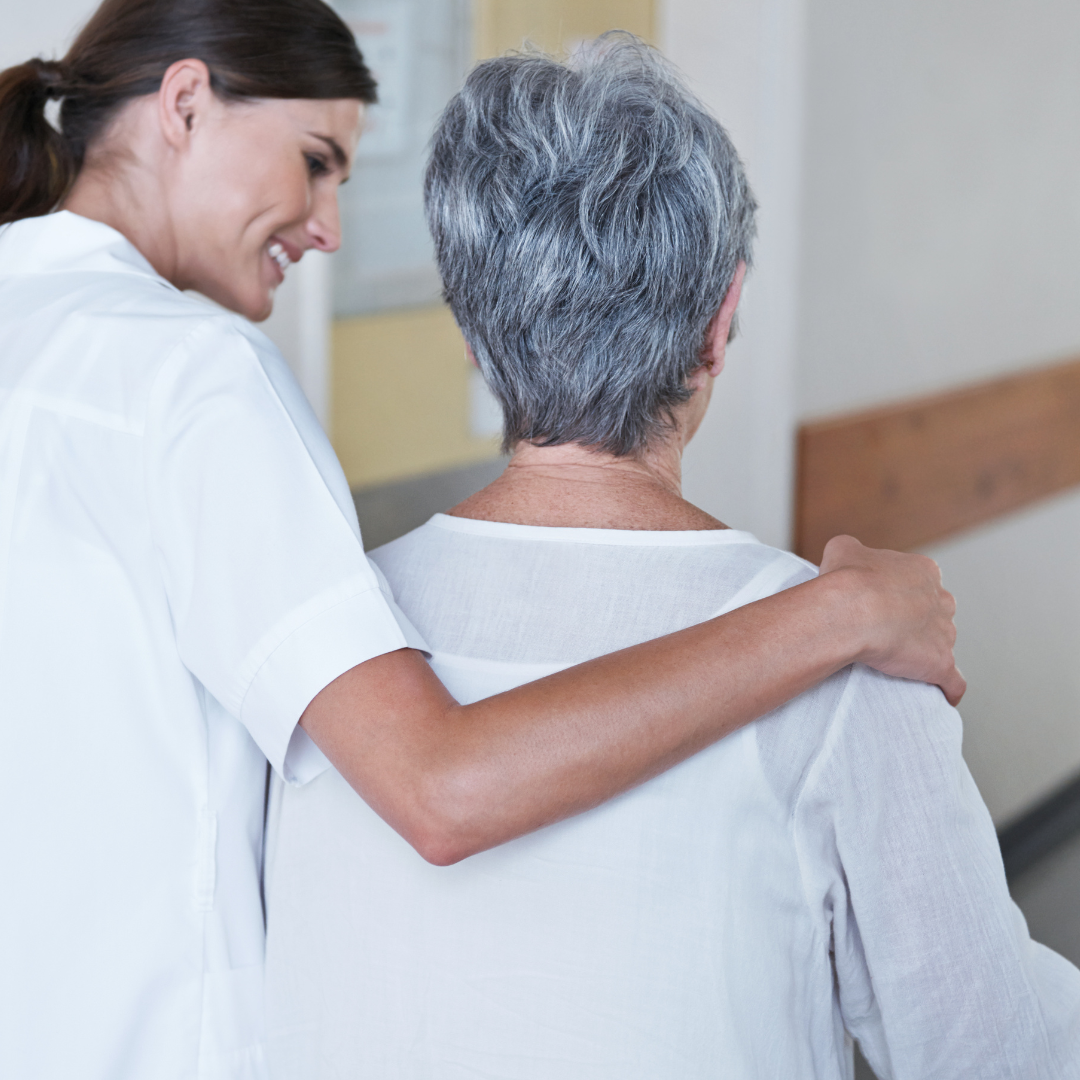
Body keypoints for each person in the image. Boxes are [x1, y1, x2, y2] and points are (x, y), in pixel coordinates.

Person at [0, 3, 961, 1078]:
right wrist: (837, 612)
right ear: (185, 103)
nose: (328, 227)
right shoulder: (189, 378)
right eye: (317, 162)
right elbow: (441, 788)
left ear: (470, 329)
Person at [264, 37, 1080, 1080]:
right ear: (720, 322)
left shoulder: (330, 652)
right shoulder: (848, 664)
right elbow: (994, 1051)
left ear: (469, 331)